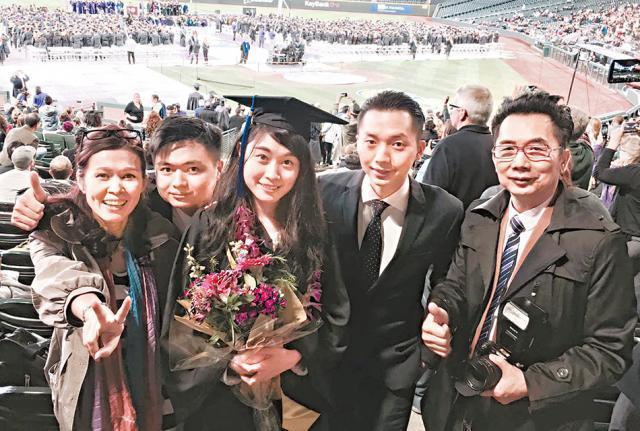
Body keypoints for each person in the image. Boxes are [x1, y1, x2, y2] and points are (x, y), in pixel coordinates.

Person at [421, 91, 637, 431]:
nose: (519, 163)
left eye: (536, 149)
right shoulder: (479, 217)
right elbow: (456, 284)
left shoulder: (599, 241)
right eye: (507, 149)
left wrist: (530, 383)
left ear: (563, 159)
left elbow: (610, 350)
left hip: (535, 418)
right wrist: (443, 310)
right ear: (494, 157)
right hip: (459, 400)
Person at [162, 96, 350, 431]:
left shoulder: (315, 232)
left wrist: (294, 356)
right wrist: (230, 364)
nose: (272, 174)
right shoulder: (210, 225)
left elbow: (336, 312)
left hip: (295, 394)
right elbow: (182, 320)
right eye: (262, 157)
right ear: (241, 153)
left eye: (288, 162)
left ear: (302, 169)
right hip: (222, 400)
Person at [319, 90, 464, 431]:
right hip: (326, 363)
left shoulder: (445, 210)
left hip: (395, 367)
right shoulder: (323, 193)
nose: (382, 157)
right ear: (357, 142)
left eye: (398, 144)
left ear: (420, 148)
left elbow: (446, 278)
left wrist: (441, 314)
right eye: (371, 142)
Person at [29, 126, 180, 431]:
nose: (116, 188)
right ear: (81, 180)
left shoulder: (163, 235)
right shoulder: (55, 232)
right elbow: (54, 274)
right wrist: (88, 309)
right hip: (86, 389)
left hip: (160, 392)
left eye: (128, 176)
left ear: (144, 183)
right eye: (102, 175)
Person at [419, 85, 498, 210]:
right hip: (487, 220)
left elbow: (428, 196)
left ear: (462, 113)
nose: (451, 112)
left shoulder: (447, 146)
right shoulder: (498, 146)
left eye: (452, 107)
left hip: (453, 221)